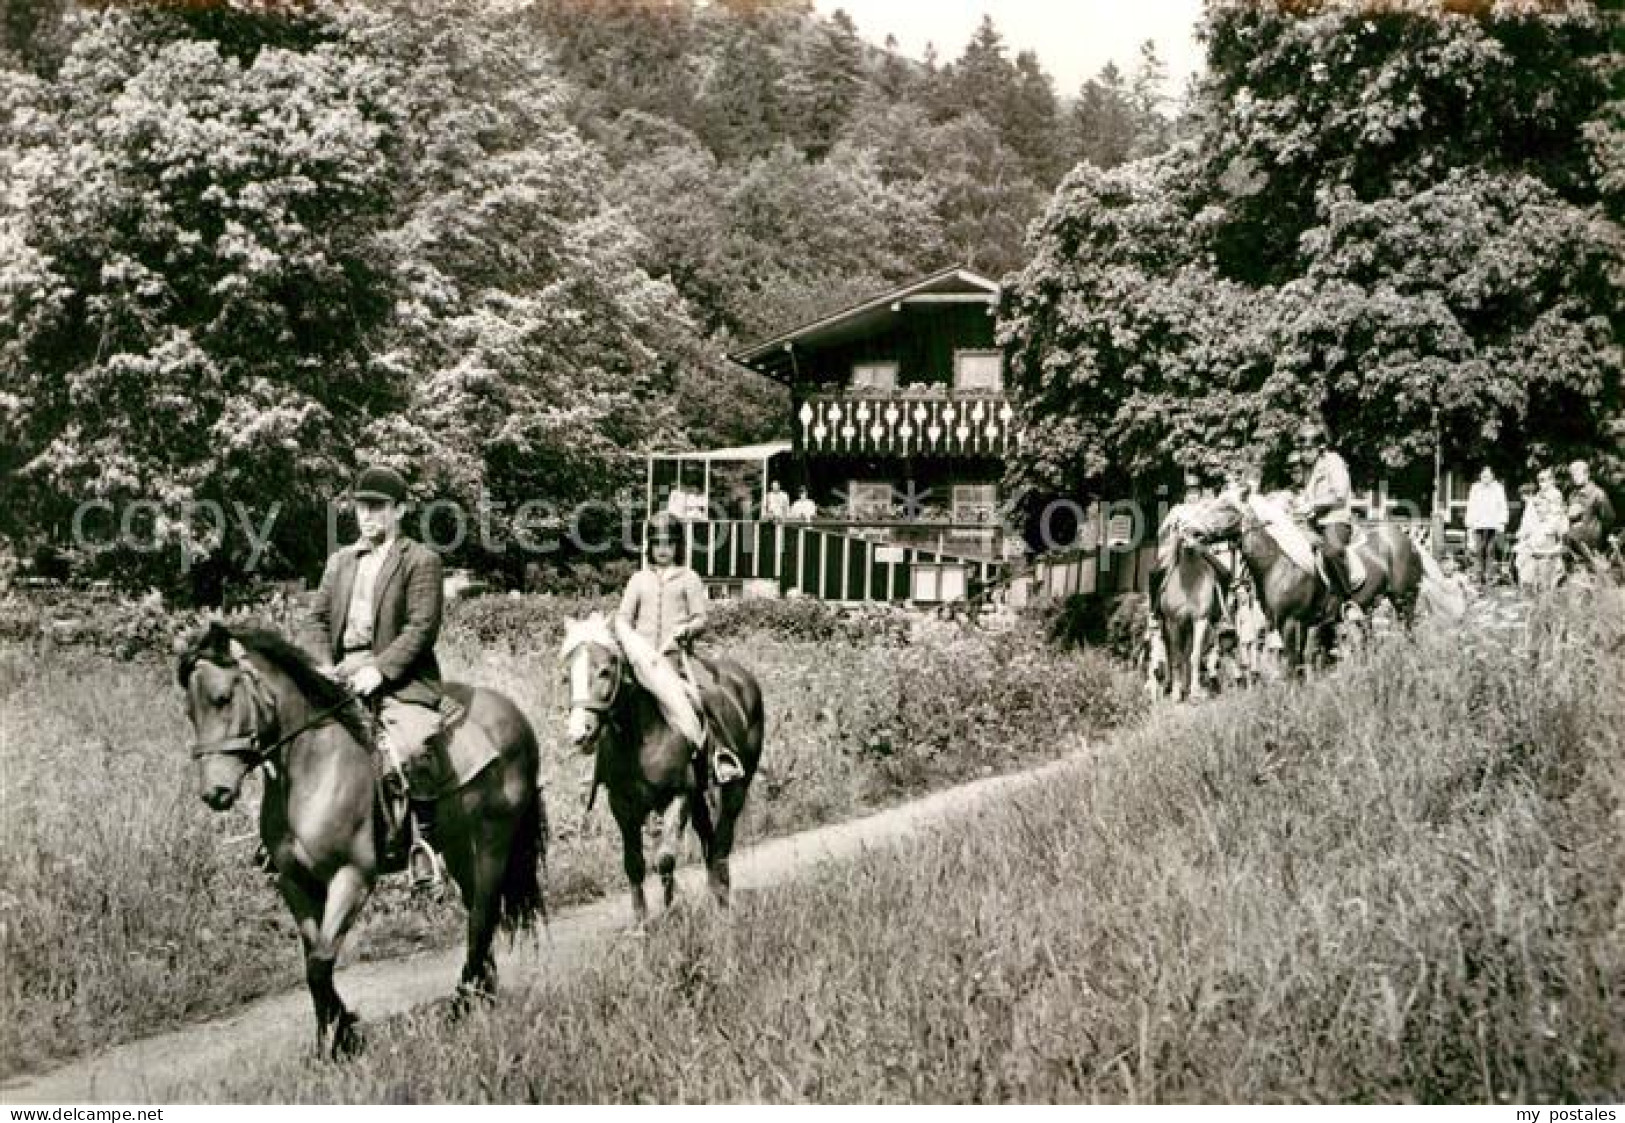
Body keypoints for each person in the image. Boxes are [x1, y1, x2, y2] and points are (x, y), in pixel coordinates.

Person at [307, 465, 448, 892]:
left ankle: (425, 845)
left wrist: (379, 670)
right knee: (291, 734)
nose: (367, 516)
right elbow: (317, 619)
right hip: (339, 673)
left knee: (412, 746)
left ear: (400, 510)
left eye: (378, 508)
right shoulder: (340, 562)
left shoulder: (421, 560)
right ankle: (289, 835)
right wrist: (319, 667)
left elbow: (421, 627)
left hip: (399, 677)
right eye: (361, 508)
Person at [618, 515, 745, 785]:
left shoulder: (689, 578)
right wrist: (626, 636)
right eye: (657, 544)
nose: (663, 550)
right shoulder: (638, 579)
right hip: (640, 660)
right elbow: (624, 617)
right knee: (609, 696)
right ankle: (601, 768)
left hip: (677, 658)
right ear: (649, 547)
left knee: (708, 693)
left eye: (669, 544)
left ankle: (722, 755)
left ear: (678, 546)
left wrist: (685, 630)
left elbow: (701, 618)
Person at [1294, 421, 1356, 610]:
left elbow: (1340, 494)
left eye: (1308, 449)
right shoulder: (1308, 469)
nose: (1304, 454)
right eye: (1302, 450)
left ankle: (1348, 600)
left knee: (1331, 551)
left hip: (1336, 520)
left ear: (1320, 448)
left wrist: (1312, 504)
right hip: (1314, 522)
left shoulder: (1334, 462)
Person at [1564, 459, 1615, 571]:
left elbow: (1609, 518)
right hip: (1573, 540)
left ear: (1587, 474)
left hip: (1591, 541)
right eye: (1573, 474)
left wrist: (1597, 531)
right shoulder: (1573, 494)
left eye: (1578, 474)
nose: (1575, 477)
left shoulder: (1598, 493)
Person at [1465, 465, 1509, 586]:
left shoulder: (1498, 488)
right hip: (1478, 523)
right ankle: (1478, 575)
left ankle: (1489, 576)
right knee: (1478, 549)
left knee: (1490, 550)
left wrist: (1502, 522)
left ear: (1492, 476)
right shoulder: (1475, 488)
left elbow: (1502, 505)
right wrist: (1469, 522)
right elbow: (1471, 505)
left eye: (1488, 476)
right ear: (1480, 476)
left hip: (1493, 523)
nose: (1485, 478)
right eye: (1483, 476)